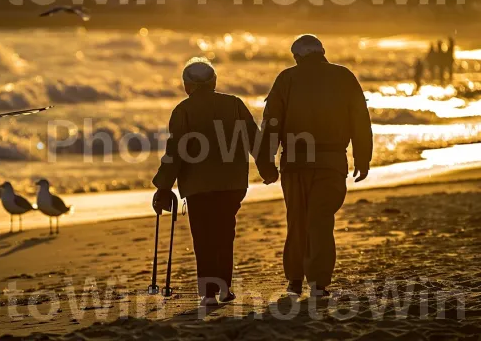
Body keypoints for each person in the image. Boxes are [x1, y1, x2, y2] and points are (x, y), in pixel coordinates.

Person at [258, 35, 373, 297]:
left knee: (297, 221)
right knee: (321, 221)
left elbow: (271, 124)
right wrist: (363, 158)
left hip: (295, 164)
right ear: (322, 53)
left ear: (297, 57)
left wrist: (267, 165)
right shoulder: (344, 77)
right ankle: (318, 284)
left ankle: (294, 282)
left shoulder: (286, 79)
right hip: (331, 163)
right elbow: (360, 119)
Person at [152, 57, 273, 307]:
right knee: (224, 233)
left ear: (187, 85)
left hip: (198, 187)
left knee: (203, 237)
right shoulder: (234, 104)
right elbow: (255, 140)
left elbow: (174, 153)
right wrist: (267, 168)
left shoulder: (183, 111)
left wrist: (163, 186)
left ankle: (208, 293)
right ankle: (225, 289)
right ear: (214, 82)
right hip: (232, 184)